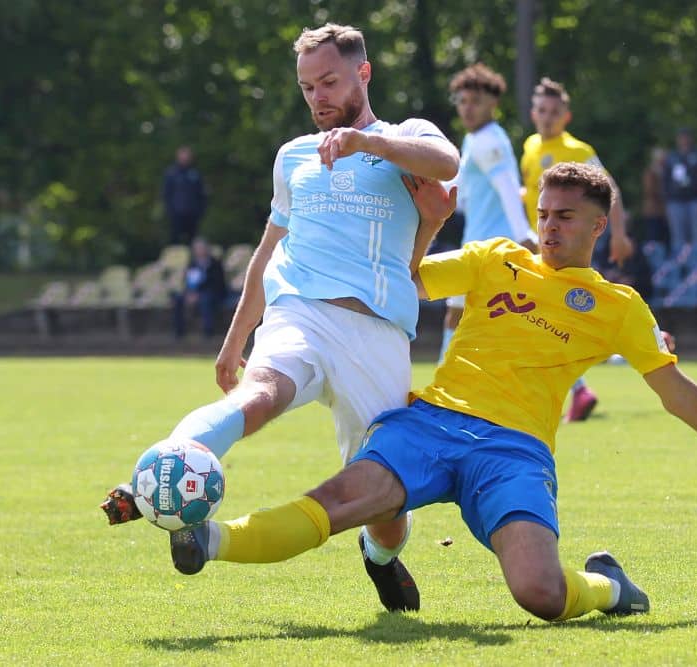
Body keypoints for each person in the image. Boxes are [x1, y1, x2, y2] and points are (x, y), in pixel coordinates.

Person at [168, 163, 697, 624]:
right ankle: (209, 541)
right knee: (339, 501)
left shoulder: (619, 306)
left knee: (539, 593)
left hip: (514, 452)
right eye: (543, 214)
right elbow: (403, 279)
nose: (549, 227)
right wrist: (428, 222)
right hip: (432, 424)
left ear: (599, 226)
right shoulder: (496, 258)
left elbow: (677, 393)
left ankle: (611, 590)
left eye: (565, 217)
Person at [101, 23, 460, 613]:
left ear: (362, 74)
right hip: (300, 314)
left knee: (387, 507)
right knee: (259, 395)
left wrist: (364, 143)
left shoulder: (403, 138)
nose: (318, 97)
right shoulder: (292, 156)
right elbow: (268, 250)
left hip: (377, 334)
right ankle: (154, 478)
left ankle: (381, 559)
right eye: (307, 87)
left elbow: (445, 160)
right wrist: (236, 335)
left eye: (329, 82)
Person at [519, 76, 633, 421]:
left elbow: (609, 189)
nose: (547, 117)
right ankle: (580, 381)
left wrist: (618, 234)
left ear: (566, 116)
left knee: (544, 316)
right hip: (535, 245)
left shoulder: (579, 151)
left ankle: (585, 377)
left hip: (567, 246)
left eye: (554, 111)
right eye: (542, 110)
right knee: (544, 318)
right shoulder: (529, 147)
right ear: (533, 112)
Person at [441, 63, 536, 361]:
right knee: (465, 316)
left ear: (493, 103)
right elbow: (470, 196)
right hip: (479, 243)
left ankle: (440, 387)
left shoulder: (486, 141)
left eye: (476, 102)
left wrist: (524, 236)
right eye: (462, 101)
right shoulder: (478, 139)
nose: (467, 109)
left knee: (460, 317)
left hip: (493, 247)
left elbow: (507, 188)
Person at [663, 128, 697, 255]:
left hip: (696, 201)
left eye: (686, 137)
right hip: (676, 202)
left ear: (691, 139)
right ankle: (679, 269)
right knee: (678, 238)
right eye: (681, 138)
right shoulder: (672, 157)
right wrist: (667, 201)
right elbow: (665, 180)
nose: (684, 140)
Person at [172, 237, 229, 339]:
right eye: (197, 248)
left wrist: (198, 294)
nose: (199, 251)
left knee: (205, 300)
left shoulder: (215, 264)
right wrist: (189, 294)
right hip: (193, 293)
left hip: (212, 294)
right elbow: (188, 282)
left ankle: (208, 333)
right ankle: (179, 333)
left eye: (201, 248)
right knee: (178, 299)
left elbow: (217, 284)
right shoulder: (192, 264)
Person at [163, 146, 208, 245]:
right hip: (176, 214)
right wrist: (170, 210)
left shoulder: (195, 173)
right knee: (175, 240)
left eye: (187, 155)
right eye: (183, 155)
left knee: (193, 240)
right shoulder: (171, 173)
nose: (185, 158)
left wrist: (200, 210)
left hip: (193, 213)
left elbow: (202, 194)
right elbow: (166, 194)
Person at [639, 147, 669, 247]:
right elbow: (649, 190)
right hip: (653, 210)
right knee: (653, 237)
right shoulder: (650, 172)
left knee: (664, 238)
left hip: (664, 211)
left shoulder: (666, 171)